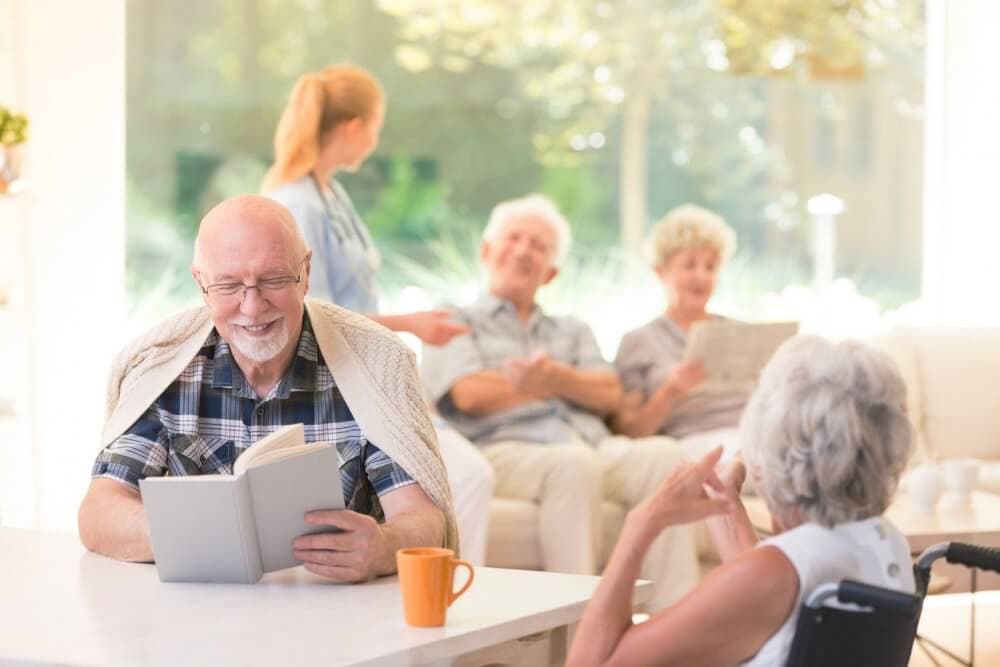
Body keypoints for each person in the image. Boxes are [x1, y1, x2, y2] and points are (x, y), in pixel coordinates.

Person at [79, 195, 456, 582]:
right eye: (228, 285)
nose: (253, 306)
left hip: (337, 619)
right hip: (194, 622)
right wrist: (196, 536)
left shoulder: (376, 363)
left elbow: (423, 517)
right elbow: (100, 513)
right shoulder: (160, 366)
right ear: (200, 284)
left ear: (305, 273)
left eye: (273, 279)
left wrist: (384, 546)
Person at [421, 194, 702, 610]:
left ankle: (678, 627)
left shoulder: (571, 328)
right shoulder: (453, 319)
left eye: (538, 246)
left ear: (551, 273)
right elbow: (469, 393)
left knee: (668, 458)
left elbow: (609, 392)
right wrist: (560, 383)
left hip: (590, 442)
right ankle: (580, 632)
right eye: (513, 238)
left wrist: (551, 377)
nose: (522, 251)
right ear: (487, 251)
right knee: (573, 465)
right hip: (506, 448)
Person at [262, 63, 493, 564]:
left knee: (467, 473)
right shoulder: (299, 204)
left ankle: (444, 601)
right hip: (338, 384)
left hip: (367, 371)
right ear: (354, 128)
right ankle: (444, 601)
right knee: (469, 475)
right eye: (377, 124)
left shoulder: (329, 192)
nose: (376, 138)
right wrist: (412, 326)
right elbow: (313, 315)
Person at [567, 336, 915, 666]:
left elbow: (592, 663)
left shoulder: (775, 575)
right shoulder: (885, 542)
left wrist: (642, 523)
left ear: (773, 453)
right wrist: (726, 503)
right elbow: (771, 603)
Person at [611, 204, 746, 455]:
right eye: (689, 265)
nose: (701, 276)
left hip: (750, 434)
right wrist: (669, 393)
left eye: (710, 267)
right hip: (694, 444)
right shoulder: (638, 342)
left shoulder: (739, 333)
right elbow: (628, 432)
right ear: (661, 272)